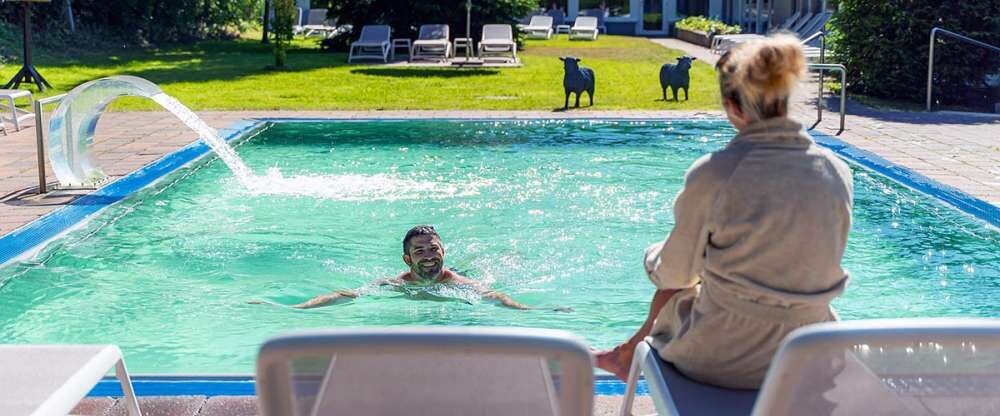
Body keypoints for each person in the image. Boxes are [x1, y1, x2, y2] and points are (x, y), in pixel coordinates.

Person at [595, 34, 854, 389]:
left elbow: (674, 273)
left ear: (732, 106)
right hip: (812, 354)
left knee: (673, 290)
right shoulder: (836, 171)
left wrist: (651, 257)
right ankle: (625, 355)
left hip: (728, 359)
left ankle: (626, 356)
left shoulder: (716, 173)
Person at [285, 225, 567, 311]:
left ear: (443, 252)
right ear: (407, 260)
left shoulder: (458, 284)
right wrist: (298, 307)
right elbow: (349, 294)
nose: (429, 256)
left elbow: (495, 297)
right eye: (419, 252)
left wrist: (535, 311)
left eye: (434, 249)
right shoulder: (396, 283)